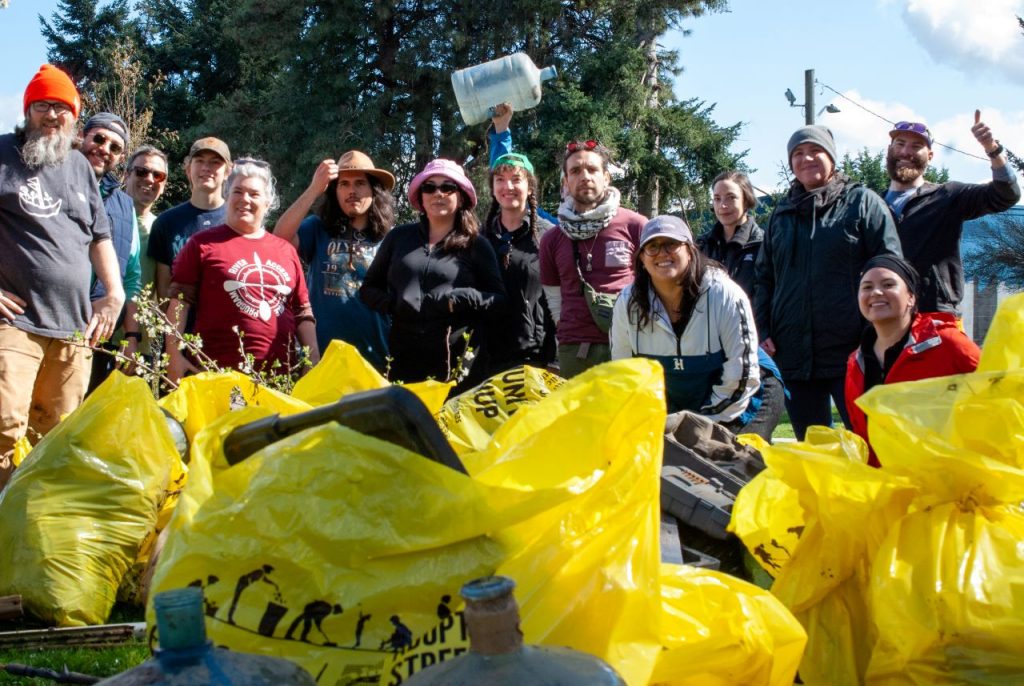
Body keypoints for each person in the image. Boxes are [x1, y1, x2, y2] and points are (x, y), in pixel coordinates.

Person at [0, 65, 124, 489]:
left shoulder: (79, 167)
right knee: (4, 425)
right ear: (27, 110)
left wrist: (114, 293)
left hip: (73, 330)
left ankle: (26, 529)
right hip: (14, 323)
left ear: (74, 116)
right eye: (42, 106)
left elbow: (100, 236)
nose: (52, 115)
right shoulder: (2, 154)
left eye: (61, 107)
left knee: (55, 437)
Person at [754, 125, 902, 440]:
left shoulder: (863, 203)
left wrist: (880, 334)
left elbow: (891, 270)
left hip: (854, 351)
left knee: (870, 444)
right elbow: (764, 278)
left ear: (831, 157)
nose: (806, 158)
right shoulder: (781, 214)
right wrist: (763, 330)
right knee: (814, 450)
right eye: (797, 153)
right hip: (793, 353)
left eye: (814, 150)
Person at [166, 158, 319, 383]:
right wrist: (173, 356)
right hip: (214, 377)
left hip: (278, 381)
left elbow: (302, 312)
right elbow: (179, 304)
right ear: (227, 196)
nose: (245, 199)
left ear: (268, 202)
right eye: (238, 191)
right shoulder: (201, 244)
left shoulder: (286, 251)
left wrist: (313, 360)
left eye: (254, 194)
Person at [360, 158, 505, 388]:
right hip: (403, 360)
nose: (438, 193)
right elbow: (368, 289)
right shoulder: (398, 238)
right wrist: (394, 303)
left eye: (448, 187)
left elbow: (499, 301)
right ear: (421, 197)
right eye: (430, 187)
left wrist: (461, 298)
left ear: (461, 197)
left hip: (457, 364)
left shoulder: (476, 244)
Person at [610, 216, 760, 432]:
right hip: (679, 404)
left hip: (740, 396)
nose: (662, 253)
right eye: (652, 246)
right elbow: (623, 374)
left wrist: (696, 425)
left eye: (671, 244)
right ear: (642, 258)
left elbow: (742, 375)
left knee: (728, 462)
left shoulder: (724, 293)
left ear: (690, 250)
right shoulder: (627, 303)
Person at [845, 255, 980, 466]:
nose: (876, 292)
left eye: (888, 284)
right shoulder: (856, 362)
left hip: (952, 483)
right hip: (888, 487)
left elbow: (997, 398)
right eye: (867, 287)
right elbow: (863, 436)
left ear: (911, 297)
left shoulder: (948, 343)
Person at [884, 114, 1020, 314]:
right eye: (900, 144)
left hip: (934, 317)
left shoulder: (948, 196)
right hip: (882, 317)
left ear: (930, 156)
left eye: (916, 146)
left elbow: (1006, 195)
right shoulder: (871, 205)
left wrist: (992, 148)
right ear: (889, 150)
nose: (906, 152)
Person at [274, 150, 395, 370]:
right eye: (344, 184)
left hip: (375, 358)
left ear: (373, 190)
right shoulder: (317, 228)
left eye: (360, 183)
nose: (352, 191)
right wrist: (314, 190)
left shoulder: (390, 238)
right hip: (321, 356)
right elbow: (279, 239)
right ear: (334, 192)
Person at [540, 140, 647, 377]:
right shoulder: (552, 238)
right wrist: (570, 332)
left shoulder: (636, 226)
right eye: (575, 171)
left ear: (606, 177)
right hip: (575, 352)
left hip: (631, 345)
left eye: (592, 169)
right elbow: (553, 297)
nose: (585, 176)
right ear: (566, 182)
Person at [697, 170, 785, 439]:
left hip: (755, 344)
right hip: (711, 346)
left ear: (746, 199)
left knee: (751, 428)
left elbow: (770, 291)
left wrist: (766, 332)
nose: (723, 205)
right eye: (717, 198)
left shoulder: (763, 242)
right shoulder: (701, 246)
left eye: (730, 198)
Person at [78, 113, 143, 390]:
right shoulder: (48, 177)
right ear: (82, 135)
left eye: (115, 147)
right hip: (36, 319)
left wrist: (131, 336)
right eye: (99, 138)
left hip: (93, 334)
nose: (105, 149)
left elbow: (131, 277)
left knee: (69, 422)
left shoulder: (125, 205)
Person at [481, 151, 556, 373]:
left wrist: (555, 360)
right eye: (500, 180)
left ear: (530, 187)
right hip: (485, 358)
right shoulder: (479, 238)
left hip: (535, 358)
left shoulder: (549, 237)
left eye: (516, 179)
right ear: (493, 188)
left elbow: (561, 302)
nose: (508, 187)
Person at [148, 137, 232, 301]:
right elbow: (163, 291)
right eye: (199, 161)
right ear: (188, 169)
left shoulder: (237, 221)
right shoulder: (166, 222)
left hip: (226, 323)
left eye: (215, 162)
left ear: (228, 172)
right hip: (181, 323)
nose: (206, 168)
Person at [124, 144, 169, 290]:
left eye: (158, 175)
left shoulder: (164, 229)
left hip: (143, 312)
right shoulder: (102, 217)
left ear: (164, 186)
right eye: (141, 172)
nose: (150, 180)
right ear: (126, 176)